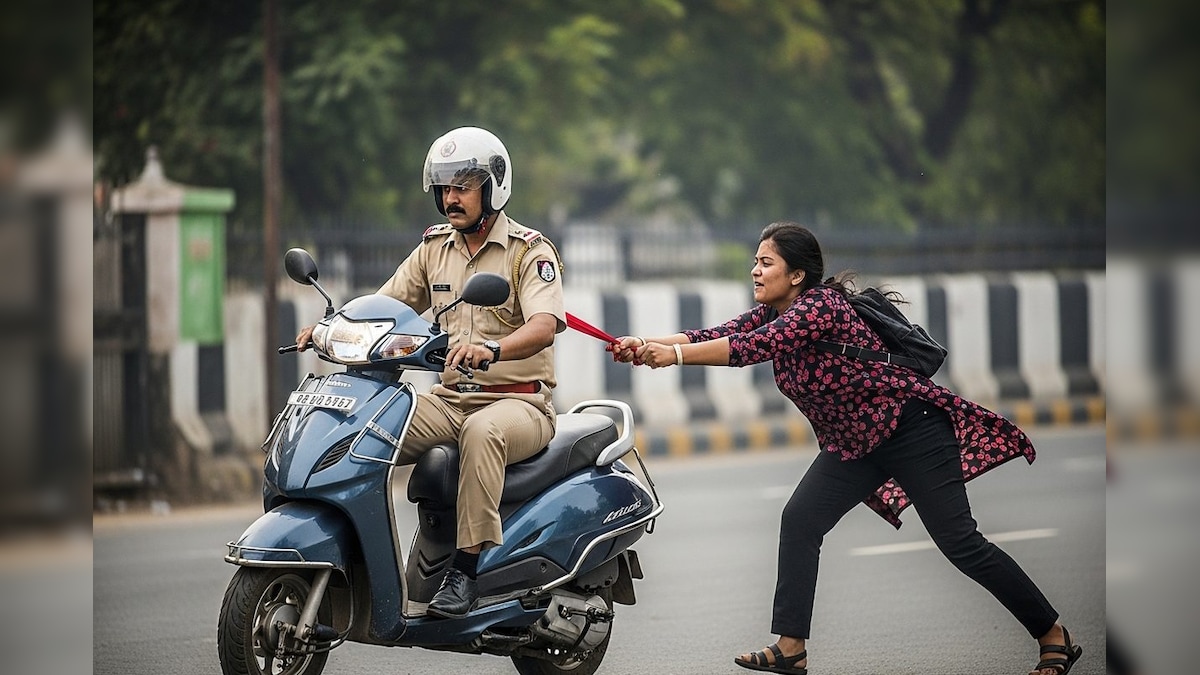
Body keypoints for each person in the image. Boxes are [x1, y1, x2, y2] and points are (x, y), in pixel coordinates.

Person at [609, 221, 1082, 675]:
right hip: (855, 445)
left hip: (911, 429)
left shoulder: (820, 308)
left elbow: (753, 349)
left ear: (796, 275)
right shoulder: (774, 311)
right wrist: (644, 344)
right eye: (754, 261)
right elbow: (712, 337)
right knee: (800, 520)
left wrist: (670, 356)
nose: (755, 270)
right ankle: (791, 649)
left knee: (961, 544)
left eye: (766, 262)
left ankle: (1051, 634)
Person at [296, 126, 565, 619]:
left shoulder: (530, 251)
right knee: (373, 426)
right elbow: (384, 303)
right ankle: (353, 551)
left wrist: (493, 348)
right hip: (448, 400)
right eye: (444, 188)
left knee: (483, 433)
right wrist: (327, 327)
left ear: (493, 184)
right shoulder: (434, 248)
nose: (450, 198)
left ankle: (464, 570)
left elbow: (545, 325)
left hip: (518, 402)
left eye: (462, 185)